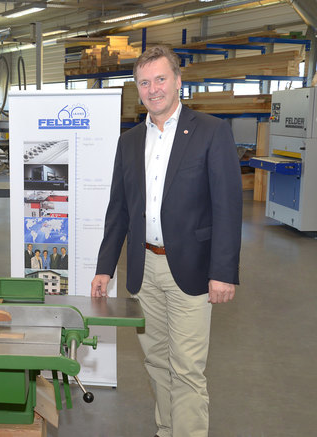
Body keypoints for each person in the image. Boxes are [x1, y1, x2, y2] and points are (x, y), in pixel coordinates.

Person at [90, 46, 242, 437]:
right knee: (156, 361)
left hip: (192, 269)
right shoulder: (129, 142)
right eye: (144, 82)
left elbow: (228, 206)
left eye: (160, 79)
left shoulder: (211, 131)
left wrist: (223, 272)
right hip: (145, 269)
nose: (153, 89)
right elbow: (119, 210)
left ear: (178, 81)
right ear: (137, 90)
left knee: (187, 367)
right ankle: (166, 430)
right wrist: (104, 268)